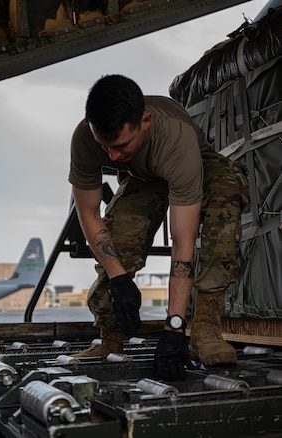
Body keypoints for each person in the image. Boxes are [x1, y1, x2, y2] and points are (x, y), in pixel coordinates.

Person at [69, 74, 249, 381]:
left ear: (146, 121)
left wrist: (174, 326)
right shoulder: (85, 138)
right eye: (105, 147)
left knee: (225, 195)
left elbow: (183, 241)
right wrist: (119, 277)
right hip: (141, 176)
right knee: (118, 242)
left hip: (195, 164)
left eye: (121, 145)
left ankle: (204, 329)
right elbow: (88, 213)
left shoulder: (176, 141)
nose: (112, 157)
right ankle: (110, 337)